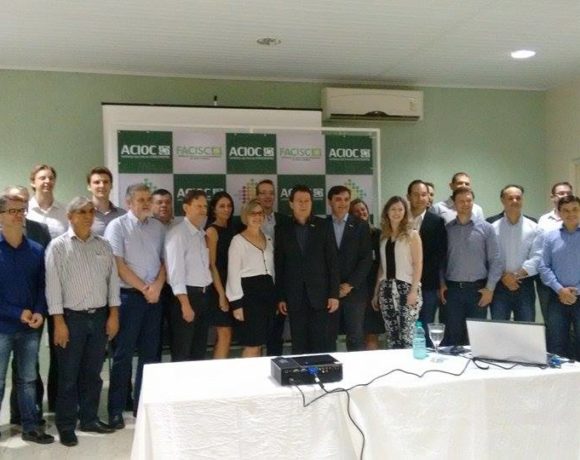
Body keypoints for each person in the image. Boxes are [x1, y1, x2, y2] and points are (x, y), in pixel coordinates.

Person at [45, 197, 120, 446]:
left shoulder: (104, 245)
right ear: (70, 217)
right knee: (68, 376)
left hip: (99, 318)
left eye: (90, 211)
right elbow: (52, 288)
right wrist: (59, 322)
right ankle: (66, 425)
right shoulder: (57, 247)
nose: (88, 216)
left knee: (93, 374)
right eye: (81, 212)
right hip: (71, 319)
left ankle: (89, 418)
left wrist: (113, 315)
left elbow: (112, 283)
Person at [105, 183, 166, 428]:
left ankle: (144, 406)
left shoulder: (158, 227)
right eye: (140, 200)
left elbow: (164, 262)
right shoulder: (117, 226)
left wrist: (157, 286)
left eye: (148, 199)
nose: (146, 204)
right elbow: (118, 266)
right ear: (129, 202)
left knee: (150, 356)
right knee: (123, 355)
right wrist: (145, 289)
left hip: (154, 298)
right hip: (129, 298)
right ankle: (116, 409)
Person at [0, 191, 53, 444]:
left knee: (28, 379)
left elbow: (43, 286)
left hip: (30, 329)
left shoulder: (36, 249)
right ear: (0, 216)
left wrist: (39, 311)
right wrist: (17, 312)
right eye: (12, 211)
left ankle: (30, 427)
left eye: (22, 210)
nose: (19, 215)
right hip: (2, 328)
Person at [275, 185, 340, 354]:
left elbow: (333, 262)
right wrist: (281, 296)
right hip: (294, 297)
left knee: (321, 343)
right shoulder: (282, 229)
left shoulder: (324, 226)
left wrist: (334, 294)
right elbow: (280, 265)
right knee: (299, 344)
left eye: (307, 201)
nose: (303, 204)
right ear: (291, 204)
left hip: (321, 297)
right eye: (299, 201)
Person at [440, 187, 501, 346]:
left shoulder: (486, 228)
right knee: (452, 338)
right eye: (461, 201)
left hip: (478, 292)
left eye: (469, 200)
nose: (465, 204)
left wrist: (490, 289)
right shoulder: (447, 230)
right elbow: (441, 261)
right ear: (454, 204)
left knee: (476, 339)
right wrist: (441, 284)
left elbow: (495, 260)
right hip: (453, 292)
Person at [165, 189, 213, 362]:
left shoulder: (201, 233)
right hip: (186, 298)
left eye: (205, 206)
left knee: (199, 350)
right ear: (186, 207)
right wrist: (185, 304)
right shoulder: (178, 234)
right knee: (182, 351)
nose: (203, 210)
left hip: (203, 297)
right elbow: (175, 274)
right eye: (198, 206)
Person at [226, 199, 276, 357]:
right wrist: (236, 304)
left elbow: (272, 270)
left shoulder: (268, 239)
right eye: (253, 213)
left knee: (261, 343)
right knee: (252, 343)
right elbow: (233, 273)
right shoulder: (238, 241)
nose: (257, 217)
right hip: (249, 296)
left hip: (267, 294)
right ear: (245, 216)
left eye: (260, 213)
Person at [372, 196, 423, 349]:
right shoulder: (384, 237)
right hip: (386, 289)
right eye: (393, 209)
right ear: (387, 212)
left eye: (400, 209)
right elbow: (382, 267)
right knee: (392, 335)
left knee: (407, 335)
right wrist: (376, 292)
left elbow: (418, 264)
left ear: (405, 212)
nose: (397, 213)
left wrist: (413, 290)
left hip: (406, 287)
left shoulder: (412, 234)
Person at [326, 186, 372, 351]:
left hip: (355, 292)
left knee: (355, 337)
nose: (343, 203)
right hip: (329, 292)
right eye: (338, 199)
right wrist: (334, 288)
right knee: (328, 336)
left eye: (346, 199)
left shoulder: (361, 225)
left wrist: (349, 285)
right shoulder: (322, 225)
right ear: (330, 201)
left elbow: (366, 259)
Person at [488, 185, 542, 322]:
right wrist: (503, 277)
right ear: (502, 200)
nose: (515, 201)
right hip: (499, 285)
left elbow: (537, 257)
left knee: (525, 327)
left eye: (518, 198)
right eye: (510, 198)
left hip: (525, 285)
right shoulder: (492, 227)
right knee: (499, 327)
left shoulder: (534, 227)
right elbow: (489, 256)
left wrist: (517, 275)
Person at [538, 195, 580, 361]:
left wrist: (576, 291)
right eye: (566, 210)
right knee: (556, 343)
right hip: (557, 297)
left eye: (575, 209)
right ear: (560, 213)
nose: (571, 214)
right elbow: (544, 267)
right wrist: (560, 290)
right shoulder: (550, 237)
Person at [407, 180, 447, 344]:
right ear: (408, 196)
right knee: (406, 328)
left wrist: (440, 284)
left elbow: (441, 255)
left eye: (423, 195)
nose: (420, 198)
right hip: (403, 283)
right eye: (416, 195)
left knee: (424, 326)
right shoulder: (400, 218)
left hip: (428, 285)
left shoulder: (437, 221)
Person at [255, 179, 292, 356]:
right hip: (256, 286)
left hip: (280, 283)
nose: (267, 196)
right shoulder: (245, 222)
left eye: (271, 193)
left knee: (276, 334)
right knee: (255, 337)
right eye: (263, 193)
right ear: (257, 196)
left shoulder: (285, 220)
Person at [537, 182, 574, 325]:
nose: (565, 196)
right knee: (552, 325)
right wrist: (557, 287)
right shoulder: (544, 221)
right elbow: (539, 252)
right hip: (548, 284)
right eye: (561, 193)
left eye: (568, 193)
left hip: (574, 284)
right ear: (553, 197)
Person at [349, 198, 384, 350]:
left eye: (363, 209)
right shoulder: (349, 237)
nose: (361, 213)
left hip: (373, 289)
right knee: (355, 334)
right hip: (355, 290)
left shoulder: (379, 234)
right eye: (356, 211)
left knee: (371, 333)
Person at [205, 192, 235, 359]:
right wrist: (221, 295)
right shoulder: (212, 231)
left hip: (232, 286)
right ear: (213, 209)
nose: (226, 209)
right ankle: (217, 372)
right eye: (222, 206)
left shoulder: (233, 229)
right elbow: (211, 265)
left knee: (228, 334)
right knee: (224, 333)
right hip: (218, 288)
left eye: (229, 206)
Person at [27, 164, 68, 239]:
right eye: (42, 178)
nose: (48, 181)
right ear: (33, 183)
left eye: (51, 178)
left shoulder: (65, 211)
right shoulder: (25, 210)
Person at [87, 166, 126, 236]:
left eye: (105, 182)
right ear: (89, 187)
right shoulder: (82, 215)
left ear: (111, 186)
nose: (102, 185)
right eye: (97, 182)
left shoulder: (123, 215)